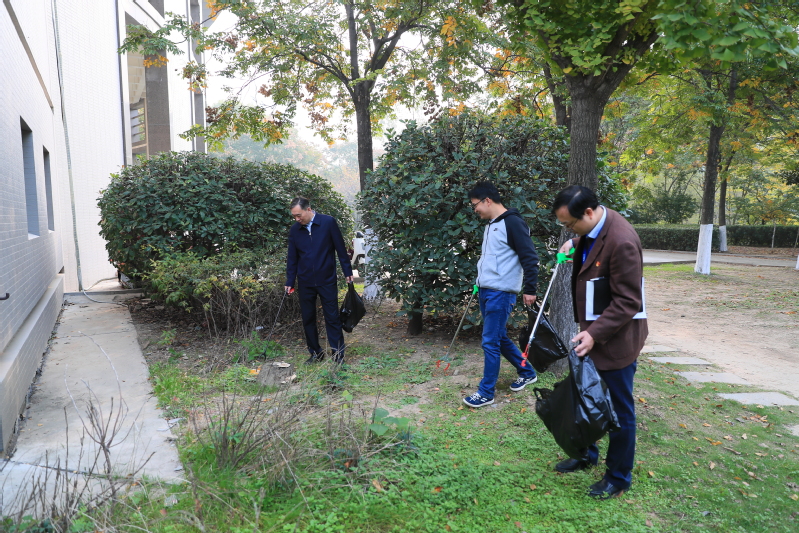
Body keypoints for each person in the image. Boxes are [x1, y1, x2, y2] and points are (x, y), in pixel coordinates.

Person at [551, 185, 648, 499]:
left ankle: (618, 478)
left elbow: (629, 301)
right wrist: (574, 241)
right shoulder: (593, 228)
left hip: (615, 341)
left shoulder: (622, 241)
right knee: (585, 397)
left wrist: (594, 334)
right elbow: (588, 241)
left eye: (570, 224)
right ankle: (585, 454)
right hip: (591, 334)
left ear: (589, 212)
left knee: (619, 412)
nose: (569, 229)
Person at [463, 181, 540, 408]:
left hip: (501, 292)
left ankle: (486, 392)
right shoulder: (491, 225)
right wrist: (480, 282)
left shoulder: (513, 223)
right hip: (487, 290)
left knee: (490, 341)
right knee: (499, 337)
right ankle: (527, 372)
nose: (475, 209)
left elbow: (530, 257)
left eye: (475, 205)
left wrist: (530, 289)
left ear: (487, 200)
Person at [285, 197, 353, 364]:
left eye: (299, 215)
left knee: (332, 318)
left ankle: (338, 355)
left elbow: (340, 249)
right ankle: (316, 353)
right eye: (294, 216)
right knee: (308, 318)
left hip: (327, 279)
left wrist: (347, 271)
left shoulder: (328, 222)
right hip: (305, 281)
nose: (297, 219)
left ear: (308, 209)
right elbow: (292, 258)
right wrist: (290, 281)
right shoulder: (295, 230)